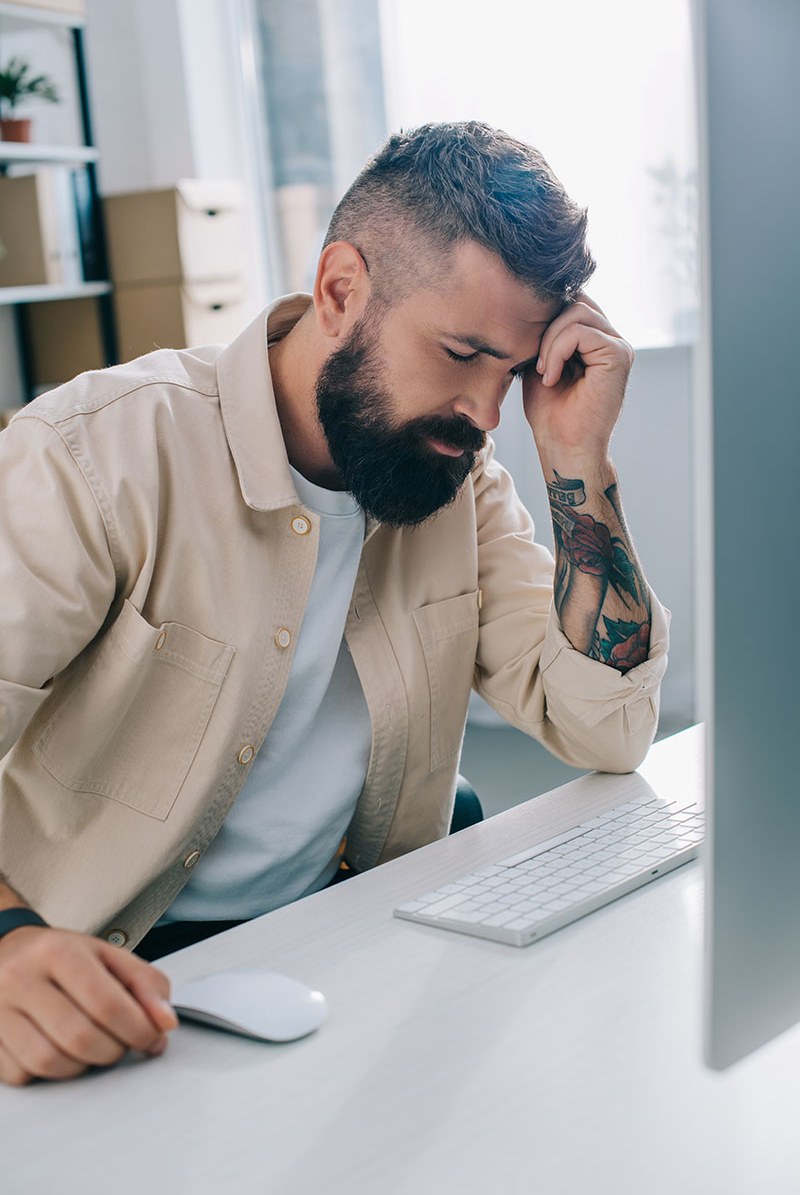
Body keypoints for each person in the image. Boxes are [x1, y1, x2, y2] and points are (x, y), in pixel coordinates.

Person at [0, 122, 668, 1086]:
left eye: (509, 373)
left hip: (351, 947)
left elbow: (606, 730)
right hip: (99, 985)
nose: (485, 418)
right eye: (459, 353)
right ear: (341, 289)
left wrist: (577, 462)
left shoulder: (459, 485)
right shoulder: (97, 455)